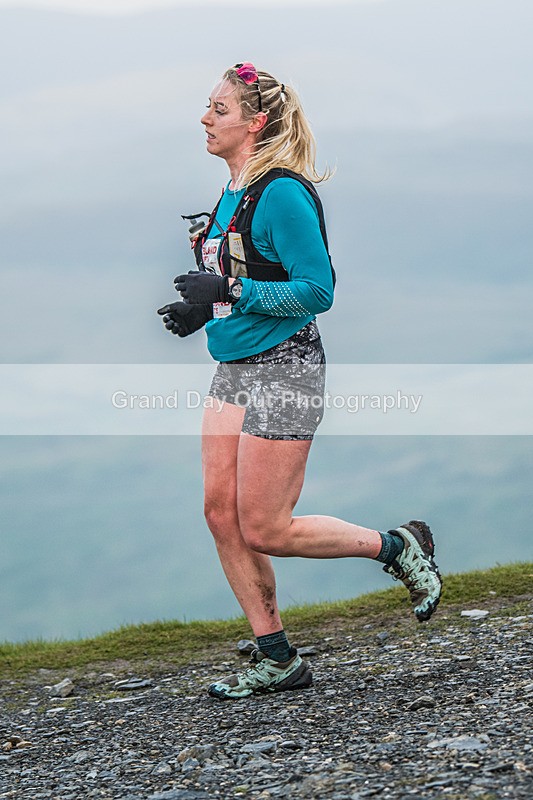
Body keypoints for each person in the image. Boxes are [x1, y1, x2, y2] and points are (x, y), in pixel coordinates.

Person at [157, 62, 442, 700]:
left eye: (219, 109)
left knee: (264, 525)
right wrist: (204, 309)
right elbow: (254, 278)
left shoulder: (281, 191)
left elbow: (318, 291)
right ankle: (278, 657)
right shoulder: (233, 191)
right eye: (208, 106)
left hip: (287, 368)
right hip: (232, 369)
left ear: (255, 121)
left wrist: (228, 287)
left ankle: (395, 546)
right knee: (219, 514)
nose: (205, 117)